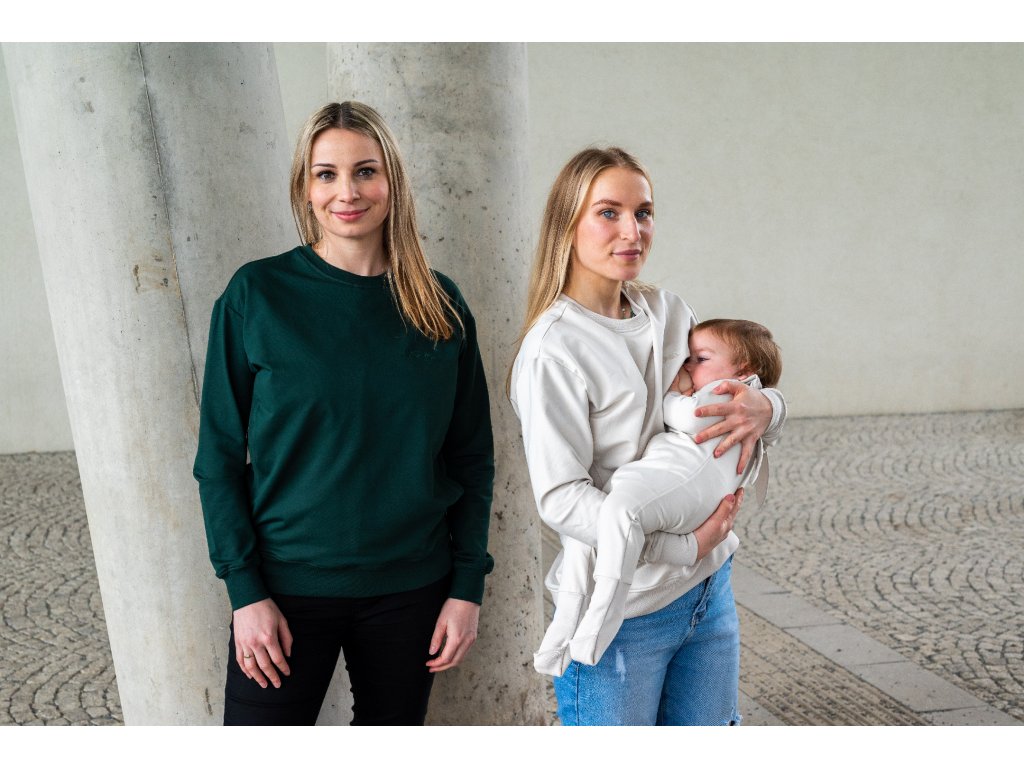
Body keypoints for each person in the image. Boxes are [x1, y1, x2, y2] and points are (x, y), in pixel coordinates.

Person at [193, 101, 495, 726]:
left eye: (365, 171)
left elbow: (471, 457)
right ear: (305, 187)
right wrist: (245, 593)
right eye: (326, 174)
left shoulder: (441, 305)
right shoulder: (257, 294)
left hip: (412, 590)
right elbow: (218, 458)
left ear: (392, 180)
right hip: (284, 590)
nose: (347, 192)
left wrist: (467, 587)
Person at [509, 147, 786, 726]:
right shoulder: (553, 350)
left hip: (708, 591)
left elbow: (729, 387)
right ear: (568, 223)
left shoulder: (670, 312)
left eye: (644, 213)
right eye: (608, 212)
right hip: (623, 616)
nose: (632, 231)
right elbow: (561, 500)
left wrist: (769, 407)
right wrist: (681, 546)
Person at [534, 319, 783, 676]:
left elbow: (689, 416)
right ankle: (564, 630)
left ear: (744, 370)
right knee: (583, 535)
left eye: (700, 359)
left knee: (620, 515)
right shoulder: (737, 394)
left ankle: (600, 620)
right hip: (660, 479)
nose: (687, 366)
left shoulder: (731, 393)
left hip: (680, 484)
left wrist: (668, 393)